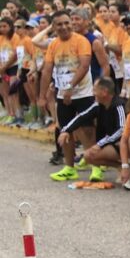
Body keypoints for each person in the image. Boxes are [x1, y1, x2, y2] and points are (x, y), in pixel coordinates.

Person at [39, 11, 94, 181]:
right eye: (59, 24)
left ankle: (96, 165)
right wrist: (41, 96)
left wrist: (71, 87)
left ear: (71, 23)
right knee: (66, 130)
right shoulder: (53, 44)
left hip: (83, 93)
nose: (63, 27)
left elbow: (84, 66)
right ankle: (70, 167)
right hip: (63, 95)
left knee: (87, 130)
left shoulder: (81, 41)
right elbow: (47, 70)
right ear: (54, 27)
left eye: (66, 23)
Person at [53, 77, 126, 183]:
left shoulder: (119, 105)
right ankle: (121, 167)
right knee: (88, 156)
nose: (93, 93)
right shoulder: (98, 105)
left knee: (97, 150)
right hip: (111, 143)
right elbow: (82, 117)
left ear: (104, 92)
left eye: (95, 90)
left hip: (124, 144)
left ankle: (129, 168)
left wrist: (100, 144)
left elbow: (121, 130)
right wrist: (66, 131)